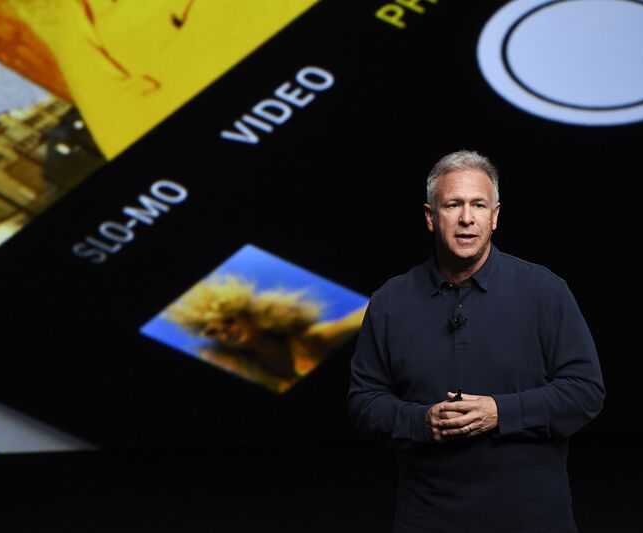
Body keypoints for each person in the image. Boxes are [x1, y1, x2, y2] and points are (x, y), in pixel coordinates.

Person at [347, 150, 605, 532]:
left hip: (533, 518)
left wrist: (498, 413)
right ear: (431, 217)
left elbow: (585, 392)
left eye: (478, 205)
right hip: (428, 518)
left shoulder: (545, 291)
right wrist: (421, 422)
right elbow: (363, 401)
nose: (467, 218)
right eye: (453, 205)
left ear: (495, 216)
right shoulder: (390, 301)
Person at [166, 274, 366, 393]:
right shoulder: (247, 372)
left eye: (229, 320)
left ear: (250, 316)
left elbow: (366, 316)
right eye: (211, 331)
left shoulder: (308, 340)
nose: (223, 331)